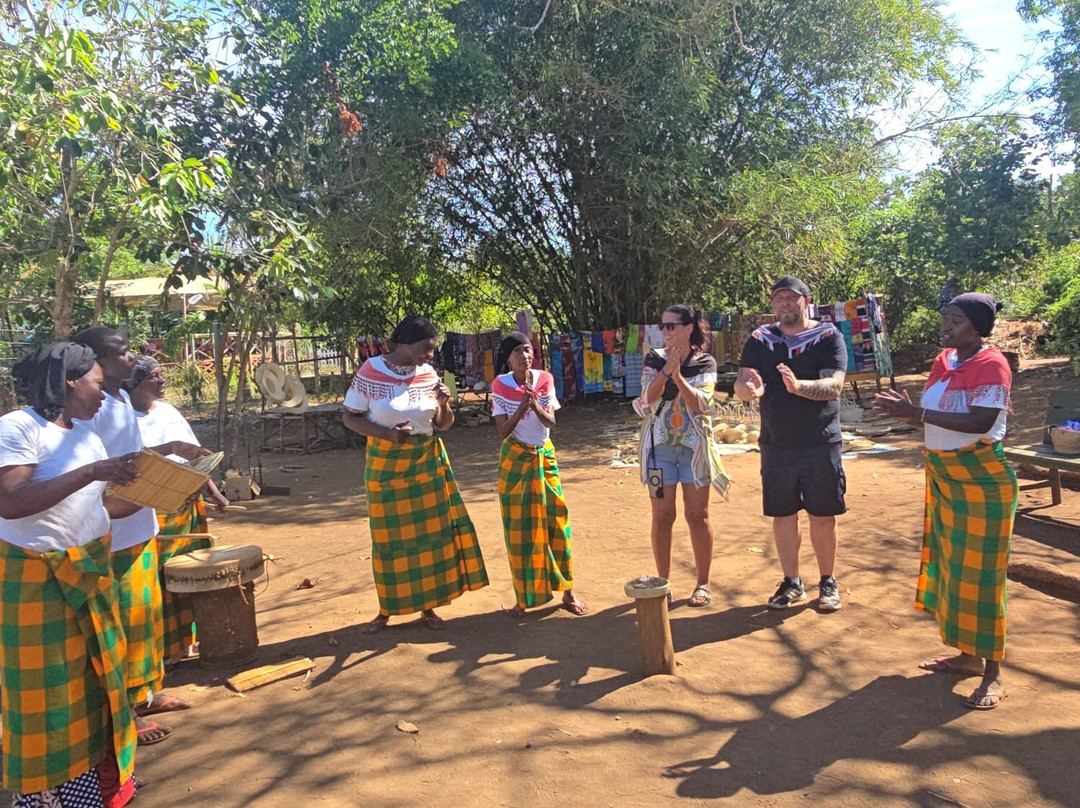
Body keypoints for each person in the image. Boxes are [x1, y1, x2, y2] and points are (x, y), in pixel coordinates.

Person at [0, 342, 140, 807]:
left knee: (93, 687)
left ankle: (99, 793)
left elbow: (101, 508)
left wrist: (167, 492)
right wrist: (91, 471)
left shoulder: (85, 435)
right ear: (70, 382)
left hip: (87, 576)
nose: (104, 394)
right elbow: (11, 501)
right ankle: (49, 800)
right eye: (98, 383)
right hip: (38, 586)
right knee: (49, 699)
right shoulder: (18, 427)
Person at [873, 293, 1017, 710]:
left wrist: (916, 414)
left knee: (985, 576)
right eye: (946, 319)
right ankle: (968, 655)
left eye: (956, 320)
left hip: (983, 482)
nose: (947, 327)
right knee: (954, 569)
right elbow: (932, 414)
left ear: (976, 326)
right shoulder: (945, 361)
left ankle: (993, 672)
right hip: (947, 480)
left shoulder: (993, 365)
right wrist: (904, 412)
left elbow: (980, 422)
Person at [72, 327, 205, 746]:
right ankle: (124, 709)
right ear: (95, 361)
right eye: (123, 353)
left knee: (142, 617)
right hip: (111, 532)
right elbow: (101, 469)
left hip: (138, 526)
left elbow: (132, 456)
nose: (132, 359)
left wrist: (168, 453)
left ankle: (145, 693)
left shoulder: (119, 399)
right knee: (120, 623)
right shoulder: (89, 410)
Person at [342, 316, 489, 633]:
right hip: (386, 468)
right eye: (426, 348)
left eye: (433, 349)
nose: (430, 355)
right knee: (389, 540)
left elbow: (443, 424)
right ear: (406, 344)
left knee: (430, 538)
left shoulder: (429, 374)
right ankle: (387, 609)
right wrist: (385, 434)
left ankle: (428, 607)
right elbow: (350, 417)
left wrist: (445, 405)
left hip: (427, 465)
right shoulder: (371, 372)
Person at [734, 277, 847, 611]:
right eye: (778, 298)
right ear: (773, 304)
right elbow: (743, 380)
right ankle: (792, 581)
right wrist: (748, 391)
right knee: (783, 515)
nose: (785, 303)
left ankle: (827, 581)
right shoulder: (760, 339)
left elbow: (835, 385)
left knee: (822, 514)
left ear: (806, 301)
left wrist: (799, 387)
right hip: (776, 441)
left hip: (820, 440)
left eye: (791, 298)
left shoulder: (828, 336)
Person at [123, 356, 229, 665]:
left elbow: (196, 458)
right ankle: (167, 646)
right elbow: (131, 462)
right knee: (164, 577)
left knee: (192, 574)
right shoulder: (123, 420)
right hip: (154, 510)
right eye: (155, 377)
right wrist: (168, 449)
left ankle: (190, 639)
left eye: (161, 375)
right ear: (136, 384)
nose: (162, 381)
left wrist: (214, 491)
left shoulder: (168, 412)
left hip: (188, 507)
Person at [633, 304, 730, 607]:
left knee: (697, 516)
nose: (665, 332)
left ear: (689, 328)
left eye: (671, 326)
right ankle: (664, 582)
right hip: (659, 451)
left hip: (694, 451)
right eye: (662, 327)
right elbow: (647, 398)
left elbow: (702, 404)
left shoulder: (705, 362)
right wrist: (665, 372)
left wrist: (679, 377)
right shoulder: (654, 359)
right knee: (662, 516)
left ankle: (703, 583)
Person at [491, 332, 586, 618]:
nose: (525, 357)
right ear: (508, 358)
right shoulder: (500, 385)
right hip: (516, 461)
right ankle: (524, 597)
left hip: (545, 457)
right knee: (520, 528)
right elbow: (502, 432)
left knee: (557, 520)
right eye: (519, 352)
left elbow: (551, 421)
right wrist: (522, 407)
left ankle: (567, 591)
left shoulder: (545, 379)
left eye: (529, 350)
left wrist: (536, 405)